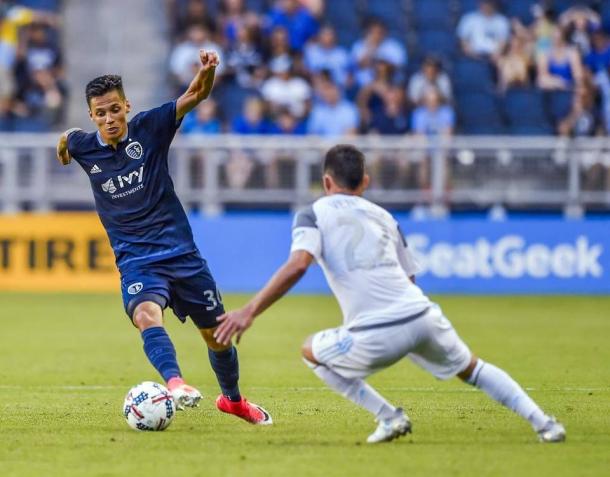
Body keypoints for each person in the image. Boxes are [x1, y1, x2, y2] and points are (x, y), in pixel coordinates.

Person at [214, 144, 566, 444]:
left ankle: (389, 416)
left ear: (325, 182)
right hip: (422, 314)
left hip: (375, 332)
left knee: (310, 351)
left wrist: (250, 310)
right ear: (365, 182)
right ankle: (545, 423)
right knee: (473, 368)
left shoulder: (312, 213)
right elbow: (411, 279)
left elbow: (298, 264)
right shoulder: (385, 216)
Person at [55, 50, 272, 425]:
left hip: (181, 254)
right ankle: (175, 383)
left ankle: (233, 401)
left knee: (216, 336)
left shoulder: (150, 127)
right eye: (101, 113)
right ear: (91, 116)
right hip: (136, 260)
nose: (109, 119)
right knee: (146, 314)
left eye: (114, 109)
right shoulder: (82, 145)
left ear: (126, 106)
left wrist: (207, 71)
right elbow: (66, 142)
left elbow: (195, 96)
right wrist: (62, 148)